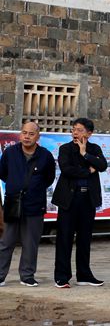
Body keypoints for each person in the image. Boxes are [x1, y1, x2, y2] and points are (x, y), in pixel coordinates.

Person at [51, 118, 108, 288]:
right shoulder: (65, 149)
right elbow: (67, 169)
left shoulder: (94, 149)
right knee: (65, 238)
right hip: (69, 199)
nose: (75, 133)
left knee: (84, 239)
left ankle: (84, 275)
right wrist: (88, 170)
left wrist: (85, 154)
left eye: (80, 130)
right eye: (74, 129)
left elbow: (102, 165)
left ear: (89, 133)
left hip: (87, 200)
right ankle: (62, 276)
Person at [0, 122, 56, 287]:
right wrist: (15, 185)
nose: (27, 136)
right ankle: (1, 275)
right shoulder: (10, 152)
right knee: (6, 242)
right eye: (24, 133)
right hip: (13, 202)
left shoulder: (45, 156)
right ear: (20, 135)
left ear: (38, 136)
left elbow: (49, 178)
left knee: (30, 242)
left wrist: (32, 188)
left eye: (31, 134)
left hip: (34, 205)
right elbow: (3, 173)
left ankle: (27, 275)